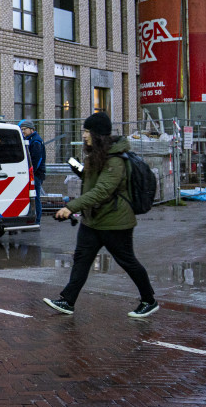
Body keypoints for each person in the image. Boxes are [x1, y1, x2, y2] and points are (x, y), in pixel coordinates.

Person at [44, 111, 159, 318]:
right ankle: (68, 301)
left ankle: (149, 300)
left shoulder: (115, 160)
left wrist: (72, 207)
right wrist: (79, 169)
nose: (84, 135)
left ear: (97, 134)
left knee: (127, 261)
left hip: (115, 221)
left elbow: (102, 190)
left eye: (87, 131)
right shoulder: (96, 155)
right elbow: (94, 182)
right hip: (93, 220)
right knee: (81, 259)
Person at [19, 119, 46, 224]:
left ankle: (37, 220)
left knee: (35, 197)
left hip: (36, 174)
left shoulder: (36, 141)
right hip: (33, 173)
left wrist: (31, 172)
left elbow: (37, 159)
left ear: (31, 129)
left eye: (24, 129)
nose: (23, 131)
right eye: (22, 129)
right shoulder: (30, 139)